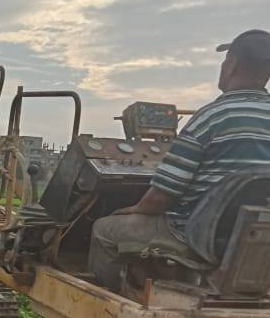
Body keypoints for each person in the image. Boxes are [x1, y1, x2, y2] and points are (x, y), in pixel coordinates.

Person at [89, 29, 270, 292]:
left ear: (230, 66)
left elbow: (162, 196)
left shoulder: (212, 117)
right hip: (256, 236)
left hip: (196, 235)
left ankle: (115, 308)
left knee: (105, 229)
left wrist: (135, 209)